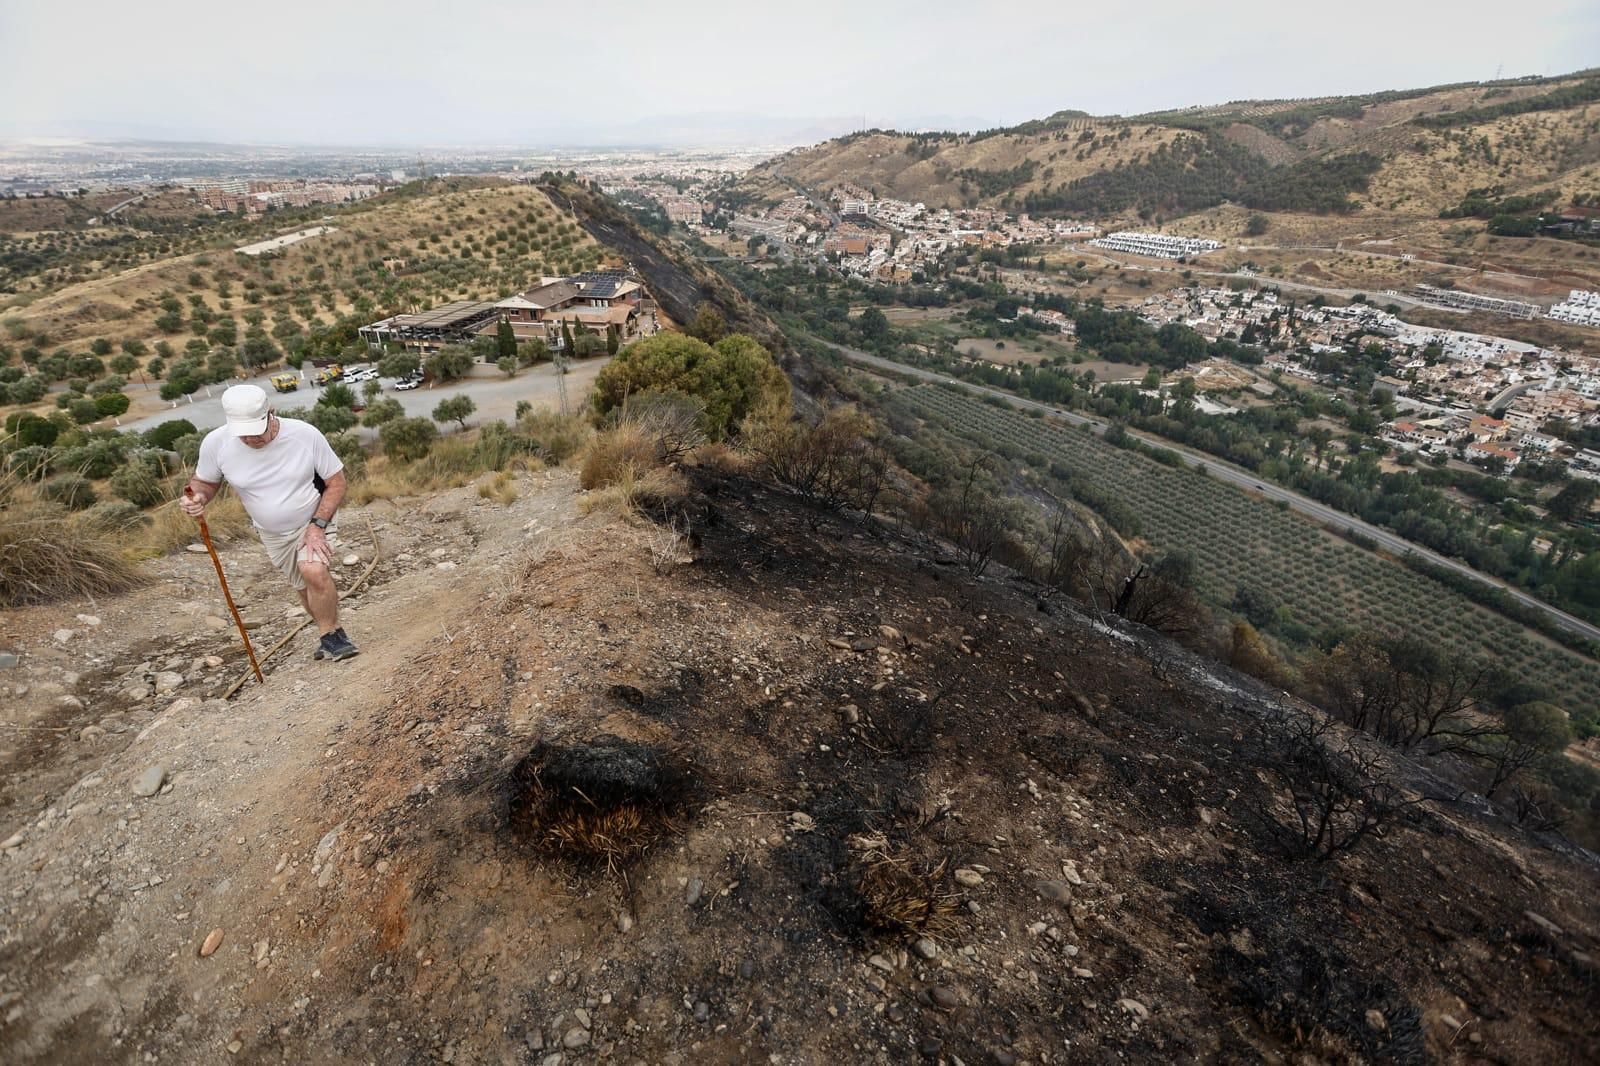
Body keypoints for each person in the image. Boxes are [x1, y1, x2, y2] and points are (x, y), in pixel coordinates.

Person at [180, 384, 359, 662]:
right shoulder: (216, 443)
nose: (252, 439)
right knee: (302, 585)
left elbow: (336, 483)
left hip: (313, 518)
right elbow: (204, 482)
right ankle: (333, 631)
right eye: (244, 434)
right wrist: (198, 498)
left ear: (271, 413)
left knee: (312, 571)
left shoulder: (304, 434)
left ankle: (330, 636)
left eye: (257, 431)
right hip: (272, 533)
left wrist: (316, 526)